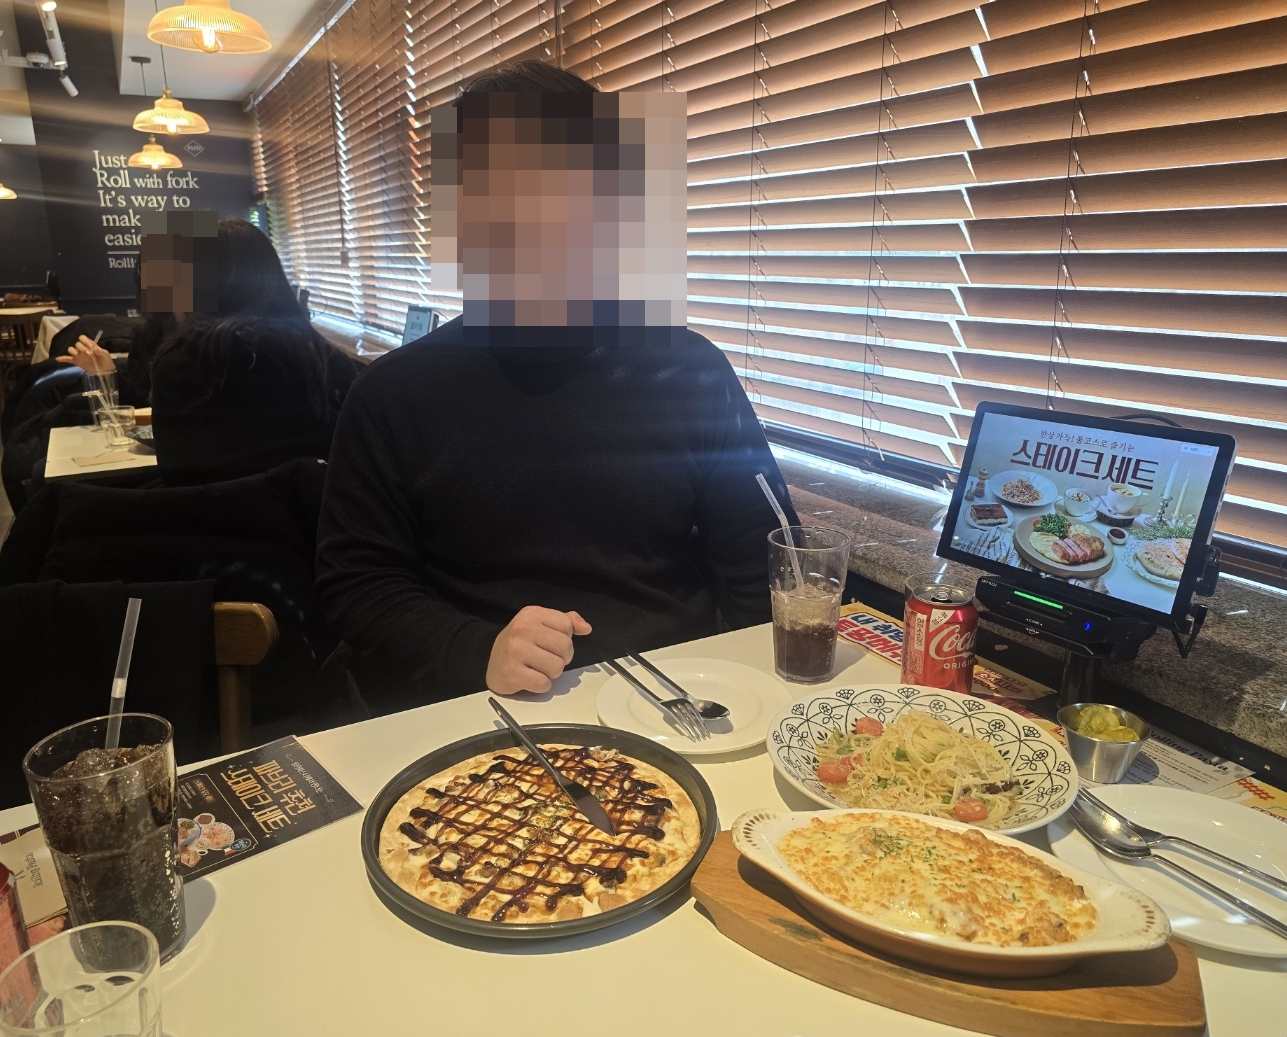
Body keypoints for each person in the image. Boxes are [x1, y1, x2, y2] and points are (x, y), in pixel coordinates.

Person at [315, 60, 796, 708]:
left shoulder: (690, 371)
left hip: (679, 699)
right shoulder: (393, 394)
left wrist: (753, 696)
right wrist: (474, 648)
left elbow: (768, 566)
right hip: (484, 711)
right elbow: (356, 585)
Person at [57, 218, 362, 484]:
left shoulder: (181, 364)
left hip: (217, 525)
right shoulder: (330, 360)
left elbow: (176, 473)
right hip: (320, 523)